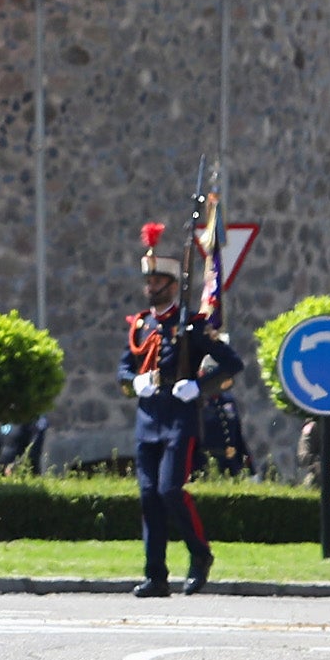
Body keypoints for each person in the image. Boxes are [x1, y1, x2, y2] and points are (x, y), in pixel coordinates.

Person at [120, 235, 234, 596]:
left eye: (157, 282)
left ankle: (200, 555)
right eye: (148, 282)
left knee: (171, 490)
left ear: (173, 285)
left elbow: (233, 364)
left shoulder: (193, 326)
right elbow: (125, 369)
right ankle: (156, 575)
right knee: (148, 495)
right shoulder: (141, 326)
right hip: (148, 417)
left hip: (179, 419)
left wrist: (199, 387)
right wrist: (135, 382)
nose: (151, 288)